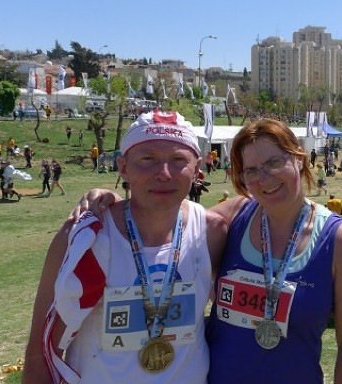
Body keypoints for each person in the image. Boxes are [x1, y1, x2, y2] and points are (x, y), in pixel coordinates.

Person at [22, 111, 228, 383]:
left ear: (197, 168)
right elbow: (40, 349)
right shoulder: (85, 236)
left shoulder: (212, 232)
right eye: (147, 159)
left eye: (178, 160)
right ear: (123, 167)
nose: (164, 173)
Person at [204, 118, 342, 383]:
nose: (264, 178)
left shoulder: (339, 240)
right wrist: (113, 201)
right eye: (251, 171)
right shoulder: (235, 214)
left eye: (274, 163)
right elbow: (172, 224)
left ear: (298, 158)